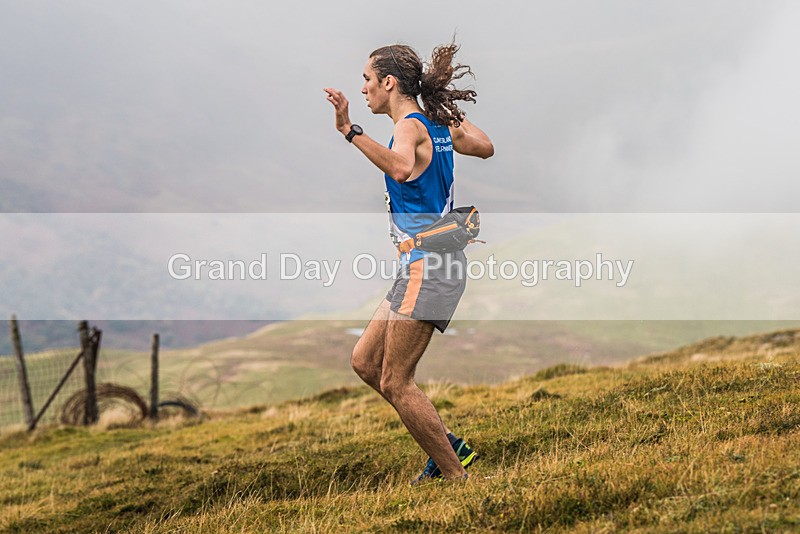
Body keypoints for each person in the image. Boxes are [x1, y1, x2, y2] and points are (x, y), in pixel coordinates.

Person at [324, 42, 494, 483]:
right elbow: (485, 146)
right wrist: (447, 116)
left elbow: (400, 168)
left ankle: (457, 477)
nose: (362, 88)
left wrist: (349, 131)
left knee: (395, 381)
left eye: (367, 79)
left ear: (389, 83)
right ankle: (447, 443)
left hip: (428, 266)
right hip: (424, 264)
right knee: (365, 361)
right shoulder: (435, 125)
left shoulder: (408, 128)